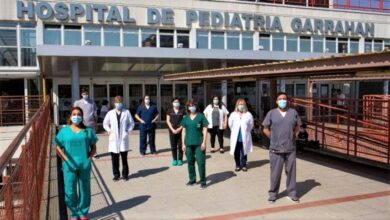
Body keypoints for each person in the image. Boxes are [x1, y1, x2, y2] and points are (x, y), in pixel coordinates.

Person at [55, 107, 98, 220]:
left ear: (82, 116)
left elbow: (94, 147)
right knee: (70, 189)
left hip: (84, 165)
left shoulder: (87, 131)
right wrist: (65, 159)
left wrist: (89, 157)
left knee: (85, 189)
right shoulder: (64, 131)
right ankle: (74, 213)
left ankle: (83, 213)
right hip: (69, 166)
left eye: (79, 114)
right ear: (70, 116)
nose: (76, 116)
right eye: (74, 114)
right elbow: (58, 147)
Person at [262, 92, 302, 204]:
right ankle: (273, 194)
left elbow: (298, 127)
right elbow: (265, 128)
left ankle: (292, 194)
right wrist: (273, 138)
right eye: (280, 99)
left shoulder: (293, 113)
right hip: (276, 149)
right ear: (276, 101)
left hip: (290, 148)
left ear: (287, 100)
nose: (282, 100)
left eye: (284, 98)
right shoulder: (271, 113)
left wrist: (294, 136)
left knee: (291, 172)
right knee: (275, 173)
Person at [103, 96, 135, 182]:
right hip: (114, 138)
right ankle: (116, 175)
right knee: (114, 159)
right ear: (114, 103)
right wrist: (109, 130)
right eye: (117, 102)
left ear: (122, 103)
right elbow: (105, 123)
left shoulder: (126, 112)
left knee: (124, 158)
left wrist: (127, 131)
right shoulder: (110, 113)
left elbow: (131, 123)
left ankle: (125, 175)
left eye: (120, 102)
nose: (119, 103)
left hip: (123, 138)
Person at [181, 99, 209, 189]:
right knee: (190, 162)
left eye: (193, 105)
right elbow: (183, 131)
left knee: (201, 162)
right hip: (188, 143)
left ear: (196, 106)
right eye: (190, 105)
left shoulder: (201, 116)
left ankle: (203, 181)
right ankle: (192, 179)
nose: (192, 107)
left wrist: (204, 142)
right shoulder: (185, 118)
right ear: (188, 107)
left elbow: (205, 129)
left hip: (199, 143)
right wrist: (183, 144)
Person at [228, 99, 254, 172]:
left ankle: (244, 165)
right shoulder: (233, 114)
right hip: (235, 137)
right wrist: (234, 131)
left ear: (245, 105)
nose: (241, 106)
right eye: (239, 104)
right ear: (237, 105)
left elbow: (251, 125)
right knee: (236, 152)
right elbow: (230, 125)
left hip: (244, 137)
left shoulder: (248, 114)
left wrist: (246, 130)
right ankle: (237, 165)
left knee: (244, 152)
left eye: (242, 104)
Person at [166, 97, 185, 166]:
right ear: (172, 103)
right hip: (172, 131)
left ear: (179, 103)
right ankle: (174, 159)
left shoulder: (183, 110)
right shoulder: (169, 110)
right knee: (173, 146)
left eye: (177, 102)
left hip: (181, 130)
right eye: (175, 102)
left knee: (180, 146)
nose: (176, 103)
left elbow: (184, 120)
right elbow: (168, 120)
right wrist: (172, 129)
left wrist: (180, 128)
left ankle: (180, 159)